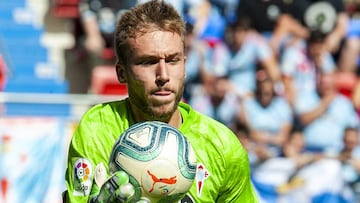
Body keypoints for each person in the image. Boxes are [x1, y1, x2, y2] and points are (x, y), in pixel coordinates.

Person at [63, 1, 259, 202]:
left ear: (184, 66)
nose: (163, 75)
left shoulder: (222, 147)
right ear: (122, 73)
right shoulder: (98, 128)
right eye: (148, 62)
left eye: (173, 60)